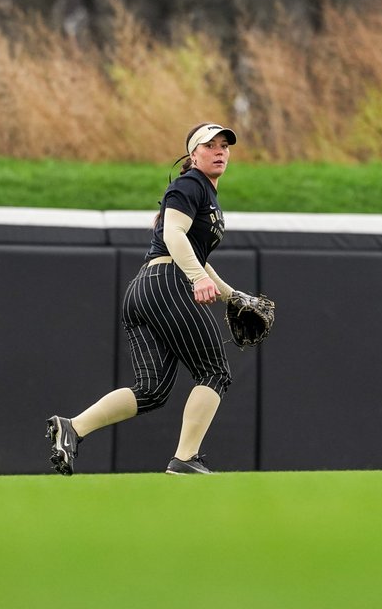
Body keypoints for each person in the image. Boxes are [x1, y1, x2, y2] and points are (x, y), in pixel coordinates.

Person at [46, 122, 244, 475]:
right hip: (168, 282)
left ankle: (72, 427)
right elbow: (173, 234)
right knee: (215, 372)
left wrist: (233, 297)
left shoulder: (202, 192)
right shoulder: (190, 183)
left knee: (151, 390)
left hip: (145, 289)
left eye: (224, 145)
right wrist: (196, 277)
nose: (219, 151)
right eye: (209, 145)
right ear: (192, 154)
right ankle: (185, 460)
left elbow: (197, 256)